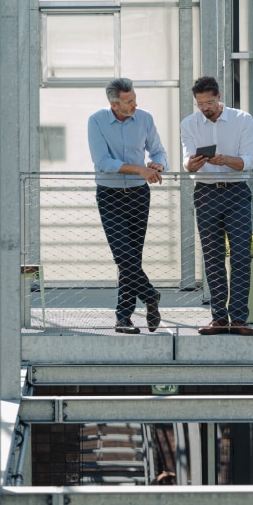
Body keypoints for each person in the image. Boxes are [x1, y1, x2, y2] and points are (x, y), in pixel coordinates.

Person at [181, 76, 253, 336]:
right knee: (212, 258)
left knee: (240, 256)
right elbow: (187, 164)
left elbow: (249, 161)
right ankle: (218, 318)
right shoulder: (189, 124)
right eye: (200, 103)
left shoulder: (242, 120)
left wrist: (225, 159)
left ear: (219, 96)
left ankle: (238, 318)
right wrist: (194, 164)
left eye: (209, 102)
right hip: (205, 193)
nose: (205, 108)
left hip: (236, 192)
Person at [88, 77, 167, 334]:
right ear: (114, 104)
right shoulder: (96, 121)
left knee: (132, 257)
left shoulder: (145, 118)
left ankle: (123, 318)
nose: (134, 104)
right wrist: (139, 169)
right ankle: (150, 295)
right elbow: (102, 161)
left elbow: (158, 151)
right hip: (109, 195)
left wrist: (157, 165)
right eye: (128, 101)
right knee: (123, 255)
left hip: (138, 195)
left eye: (134, 98)